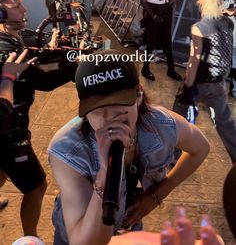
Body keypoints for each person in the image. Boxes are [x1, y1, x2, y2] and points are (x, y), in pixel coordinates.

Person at [48, 51, 209, 245]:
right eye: (96, 107)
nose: (108, 117)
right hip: (80, 229)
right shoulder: (66, 149)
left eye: (119, 102)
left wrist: (156, 195)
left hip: (128, 226)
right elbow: (83, 241)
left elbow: (201, 148)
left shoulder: (162, 124)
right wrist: (104, 176)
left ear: (139, 94)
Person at [0, 0, 78, 236]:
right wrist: (74, 65)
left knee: (1, 173)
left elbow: (33, 52)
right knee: (36, 186)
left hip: (9, 126)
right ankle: (30, 239)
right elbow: (42, 81)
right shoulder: (5, 50)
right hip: (7, 132)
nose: (24, 8)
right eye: (16, 5)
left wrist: (55, 50)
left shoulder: (8, 36)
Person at [178, 0, 236, 163]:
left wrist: (187, 84)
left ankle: (170, 158)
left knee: (180, 120)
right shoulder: (227, 23)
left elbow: (194, 60)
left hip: (200, 80)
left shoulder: (199, 27)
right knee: (225, 123)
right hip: (218, 80)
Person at [140, 0, 182, 81]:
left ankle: (171, 69)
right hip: (154, 15)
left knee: (168, 43)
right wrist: (153, 16)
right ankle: (145, 68)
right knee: (151, 43)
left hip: (165, 13)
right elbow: (143, 1)